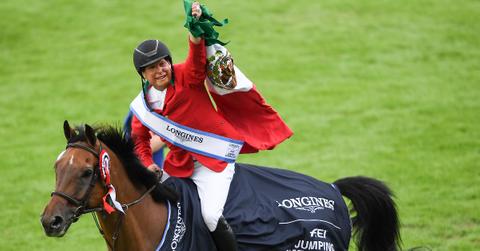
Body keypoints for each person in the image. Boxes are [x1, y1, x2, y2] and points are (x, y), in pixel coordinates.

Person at [129, 1, 292, 250]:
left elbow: (196, 56)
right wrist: (147, 163)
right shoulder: (142, 107)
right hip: (178, 165)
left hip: (213, 161)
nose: (160, 70)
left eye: (163, 63)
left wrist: (194, 26)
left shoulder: (186, 75)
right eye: (152, 67)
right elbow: (139, 140)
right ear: (143, 75)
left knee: (210, 216)